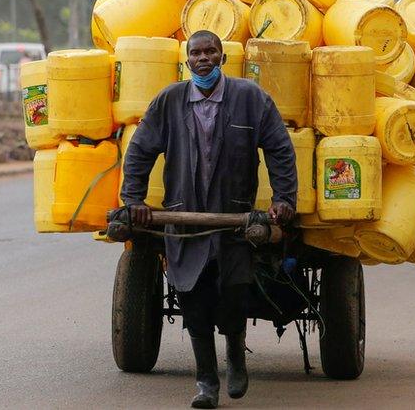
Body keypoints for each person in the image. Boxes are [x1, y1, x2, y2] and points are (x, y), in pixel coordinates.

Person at [122, 30, 297, 409]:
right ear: (188, 61)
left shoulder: (250, 98)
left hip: (234, 220)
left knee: (234, 294)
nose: (203, 59)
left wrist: (284, 199)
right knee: (193, 300)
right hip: (185, 220)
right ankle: (206, 381)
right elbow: (139, 151)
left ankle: (235, 353)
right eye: (196, 53)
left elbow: (281, 148)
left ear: (222, 57)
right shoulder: (169, 101)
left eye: (210, 52)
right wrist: (133, 199)